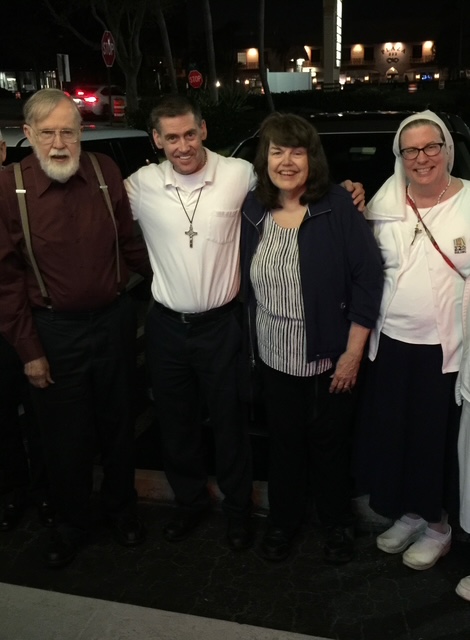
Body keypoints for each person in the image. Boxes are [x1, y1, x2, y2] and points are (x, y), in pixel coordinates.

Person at [125, 94, 366, 551]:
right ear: (157, 140)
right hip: (168, 326)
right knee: (176, 424)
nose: (182, 145)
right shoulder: (140, 184)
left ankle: (239, 514)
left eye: (190, 133)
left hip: (223, 325)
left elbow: (293, 177)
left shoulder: (239, 174)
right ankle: (189, 504)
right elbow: (103, 219)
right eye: (171, 137)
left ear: (204, 130)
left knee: (231, 425)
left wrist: (348, 188)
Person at [0, 89, 150, 568]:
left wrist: (175, 285)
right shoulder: (8, 188)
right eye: (47, 133)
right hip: (53, 332)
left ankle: (122, 510)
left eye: (68, 131)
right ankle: (71, 524)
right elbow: (6, 282)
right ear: (28, 135)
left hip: (113, 321)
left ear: (81, 132)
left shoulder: (105, 171)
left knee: (119, 425)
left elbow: (130, 245)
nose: (59, 143)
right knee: (64, 438)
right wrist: (29, 351)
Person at [239, 111, 383, 563]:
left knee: (329, 446)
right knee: (284, 445)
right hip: (273, 355)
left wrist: (353, 354)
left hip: (330, 355)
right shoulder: (253, 207)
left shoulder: (337, 205)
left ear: (311, 159)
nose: (286, 162)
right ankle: (284, 521)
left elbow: (368, 279)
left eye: (297, 152)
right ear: (265, 159)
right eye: (277, 152)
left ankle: (336, 524)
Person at [358, 110, 470, 571]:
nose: (421, 158)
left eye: (430, 147)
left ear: (447, 149)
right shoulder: (385, 203)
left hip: (445, 349)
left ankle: (438, 526)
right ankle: (409, 513)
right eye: (411, 150)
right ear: (399, 156)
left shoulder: (468, 201)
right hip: (391, 343)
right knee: (395, 434)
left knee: (432, 440)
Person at [0, 129, 53, 532]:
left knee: (41, 417)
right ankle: (14, 492)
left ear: (2, 150)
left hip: (27, 326)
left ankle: (47, 493)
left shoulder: (20, 195)